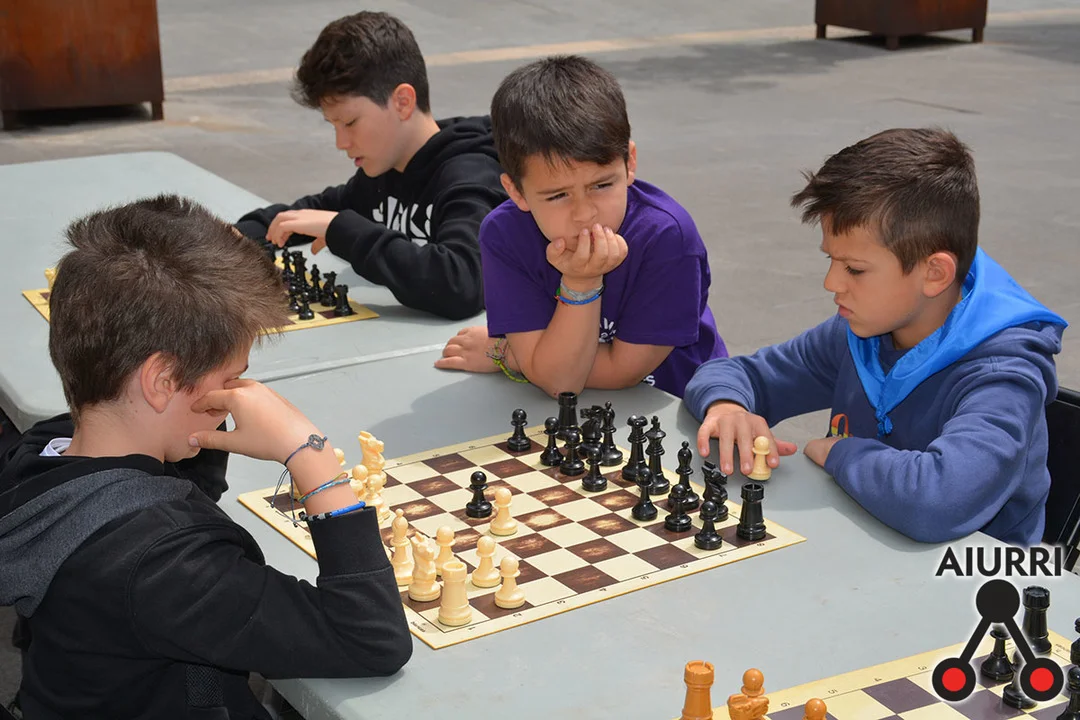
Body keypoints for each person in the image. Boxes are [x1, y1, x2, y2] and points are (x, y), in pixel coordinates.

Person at [0, 196, 411, 719]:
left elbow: (180, 491)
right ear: (162, 380)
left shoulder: (41, 450)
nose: (237, 394)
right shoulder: (165, 564)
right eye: (230, 378)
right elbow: (371, 640)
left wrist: (202, 429)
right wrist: (312, 457)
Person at [685, 128, 1067, 545]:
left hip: (975, 575)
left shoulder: (1002, 375)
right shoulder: (859, 334)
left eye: (854, 269)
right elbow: (738, 374)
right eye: (832, 260)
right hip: (863, 543)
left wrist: (840, 453)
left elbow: (939, 502)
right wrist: (727, 405)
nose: (831, 283)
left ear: (935, 273)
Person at [435, 55, 727, 398]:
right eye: (558, 195)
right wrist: (540, 360)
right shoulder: (504, 235)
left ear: (629, 163)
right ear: (516, 192)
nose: (585, 213)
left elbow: (610, 374)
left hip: (683, 407)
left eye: (601, 185)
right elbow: (561, 382)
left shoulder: (666, 236)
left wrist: (511, 355)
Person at [234, 11, 506, 320]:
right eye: (333, 126)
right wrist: (239, 235)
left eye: (350, 123)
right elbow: (317, 211)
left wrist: (344, 232)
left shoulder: (471, 176)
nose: (341, 142)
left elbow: (461, 284)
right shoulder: (386, 171)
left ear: (402, 102)